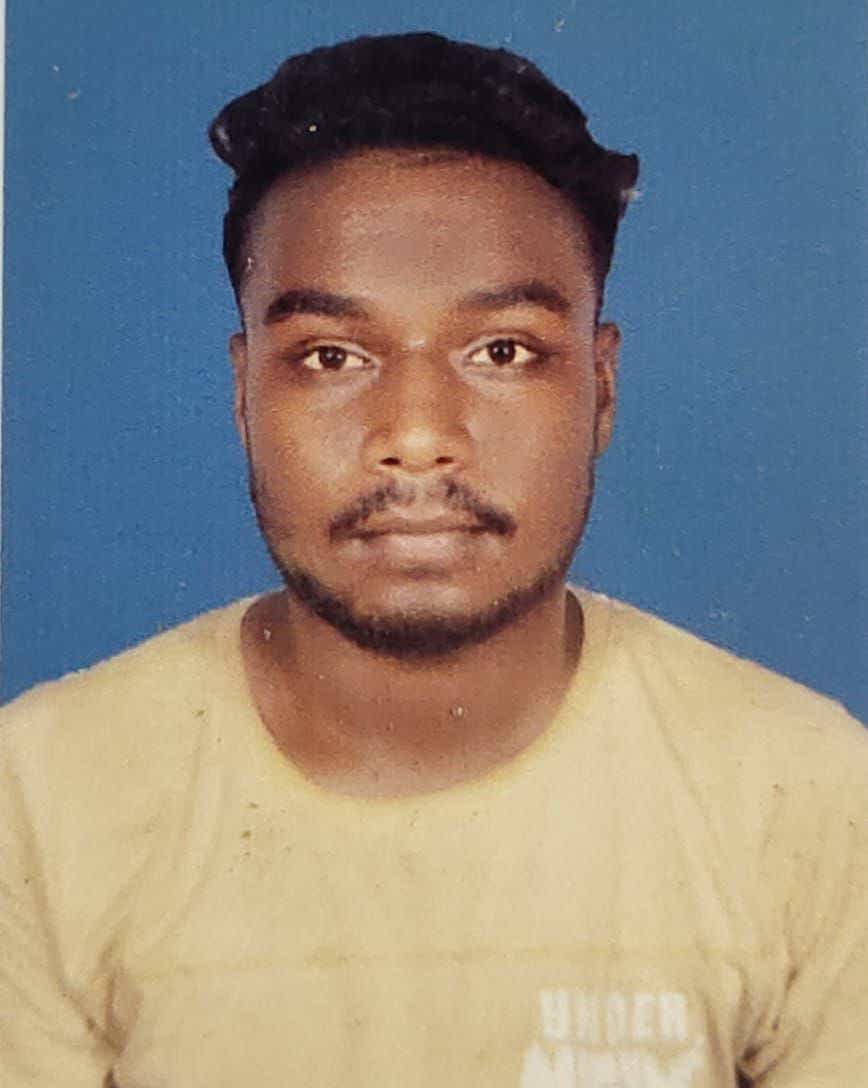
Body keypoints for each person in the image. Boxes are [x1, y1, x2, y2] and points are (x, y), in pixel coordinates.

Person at [0, 31, 865, 1088]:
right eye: (331, 356)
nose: (416, 435)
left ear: (600, 389)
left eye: (502, 351)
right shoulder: (39, 798)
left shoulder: (810, 794)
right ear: (242, 392)